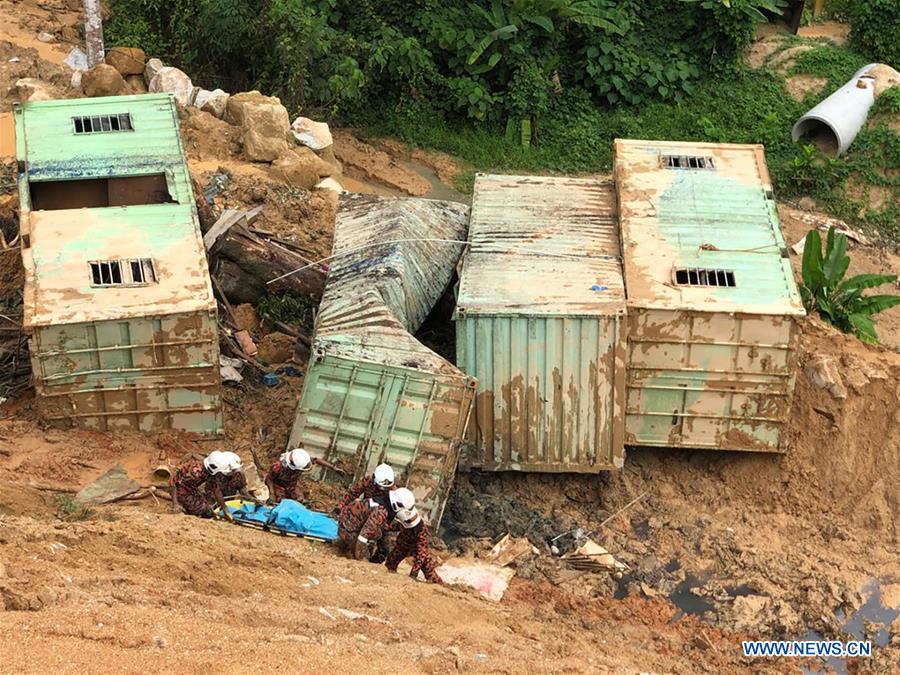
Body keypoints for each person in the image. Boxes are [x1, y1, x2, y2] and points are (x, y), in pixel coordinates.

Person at [339, 487, 413, 561]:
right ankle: (345, 545)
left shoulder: (385, 502)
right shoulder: (381, 512)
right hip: (348, 529)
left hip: (351, 523)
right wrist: (362, 560)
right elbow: (363, 537)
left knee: (381, 537)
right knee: (373, 538)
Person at [173, 451, 252, 520]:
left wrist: (225, 509)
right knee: (205, 511)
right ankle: (186, 508)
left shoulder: (210, 473)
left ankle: (190, 508)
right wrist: (175, 504)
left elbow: (216, 490)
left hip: (193, 490)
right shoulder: (191, 469)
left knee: (209, 511)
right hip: (182, 491)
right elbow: (173, 483)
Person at [385, 501, 443, 584]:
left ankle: (440, 586)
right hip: (403, 545)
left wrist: (413, 574)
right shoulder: (405, 521)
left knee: (430, 574)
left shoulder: (421, 531)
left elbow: (421, 555)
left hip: (416, 549)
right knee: (390, 563)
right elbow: (395, 527)